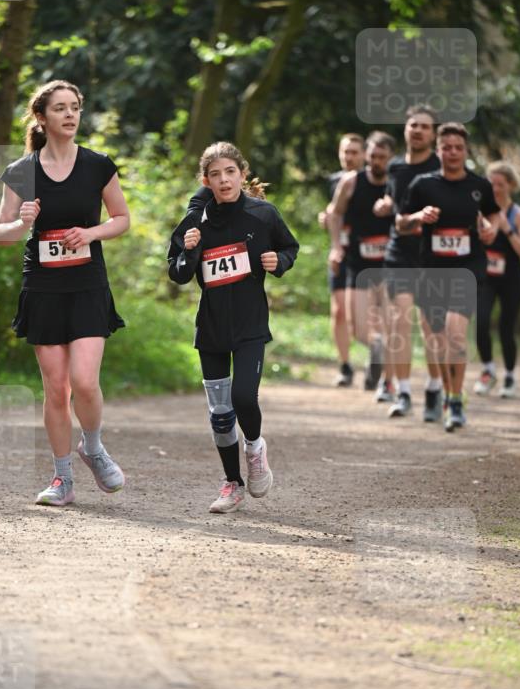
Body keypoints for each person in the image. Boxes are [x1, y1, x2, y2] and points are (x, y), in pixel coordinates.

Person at [0, 80, 130, 505]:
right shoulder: (21, 172)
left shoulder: (97, 166)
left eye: (75, 108)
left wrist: (90, 231)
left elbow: (122, 218)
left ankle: (92, 446)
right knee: (56, 388)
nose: (70, 115)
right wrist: (23, 223)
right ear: (42, 117)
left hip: (88, 283)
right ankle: (62, 479)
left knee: (84, 381)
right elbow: (0, 234)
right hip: (44, 287)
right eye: (60, 109)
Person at [167, 142, 299, 514]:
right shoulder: (197, 220)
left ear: (242, 173)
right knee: (221, 414)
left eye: (230, 172)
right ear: (205, 181)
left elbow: (290, 246)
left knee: (244, 398)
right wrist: (190, 250)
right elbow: (177, 273)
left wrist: (280, 261)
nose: (223, 180)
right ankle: (231, 484)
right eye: (215, 174)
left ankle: (255, 448)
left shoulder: (263, 214)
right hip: (210, 328)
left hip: (250, 325)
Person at [398, 122, 505, 432]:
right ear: (438, 150)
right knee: (439, 343)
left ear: (465, 151)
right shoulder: (422, 184)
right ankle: (449, 394)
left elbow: (493, 213)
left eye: (459, 148)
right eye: (447, 147)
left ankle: (456, 400)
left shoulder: (479, 185)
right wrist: (419, 217)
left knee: (456, 334)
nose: (453, 152)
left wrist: (490, 228)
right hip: (431, 269)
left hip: (467, 268)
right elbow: (402, 223)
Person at [374, 105, 444, 420]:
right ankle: (402, 392)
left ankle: (434, 387)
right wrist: (385, 204)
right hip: (399, 251)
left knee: (431, 328)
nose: (417, 130)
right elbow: (395, 200)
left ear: (433, 133)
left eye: (424, 127)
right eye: (413, 124)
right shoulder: (396, 167)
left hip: (432, 255)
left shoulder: (443, 166)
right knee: (400, 324)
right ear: (405, 129)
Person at [328, 131, 396, 396]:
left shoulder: (397, 182)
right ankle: (376, 346)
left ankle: (387, 385)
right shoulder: (351, 182)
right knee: (358, 328)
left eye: (382, 157)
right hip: (358, 263)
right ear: (367, 156)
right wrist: (336, 247)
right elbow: (335, 215)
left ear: (391, 158)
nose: (377, 161)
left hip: (392, 263)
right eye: (373, 157)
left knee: (391, 321)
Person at [474, 162, 520, 398]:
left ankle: (510, 375)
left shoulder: (518, 215)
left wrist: (507, 229)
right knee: (481, 324)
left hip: (511, 279)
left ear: (511, 185)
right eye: (492, 184)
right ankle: (488, 370)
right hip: (486, 277)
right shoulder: (480, 211)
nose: (496, 188)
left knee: (506, 329)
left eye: (500, 184)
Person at [318, 134, 366, 387]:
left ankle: (375, 358)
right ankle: (345, 365)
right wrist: (325, 219)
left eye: (354, 152)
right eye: (345, 152)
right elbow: (334, 213)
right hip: (340, 254)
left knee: (363, 317)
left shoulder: (373, 181)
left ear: (364, 155)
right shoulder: (334, 180)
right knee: (338, 312)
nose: (349, 157)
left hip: (367, 256)